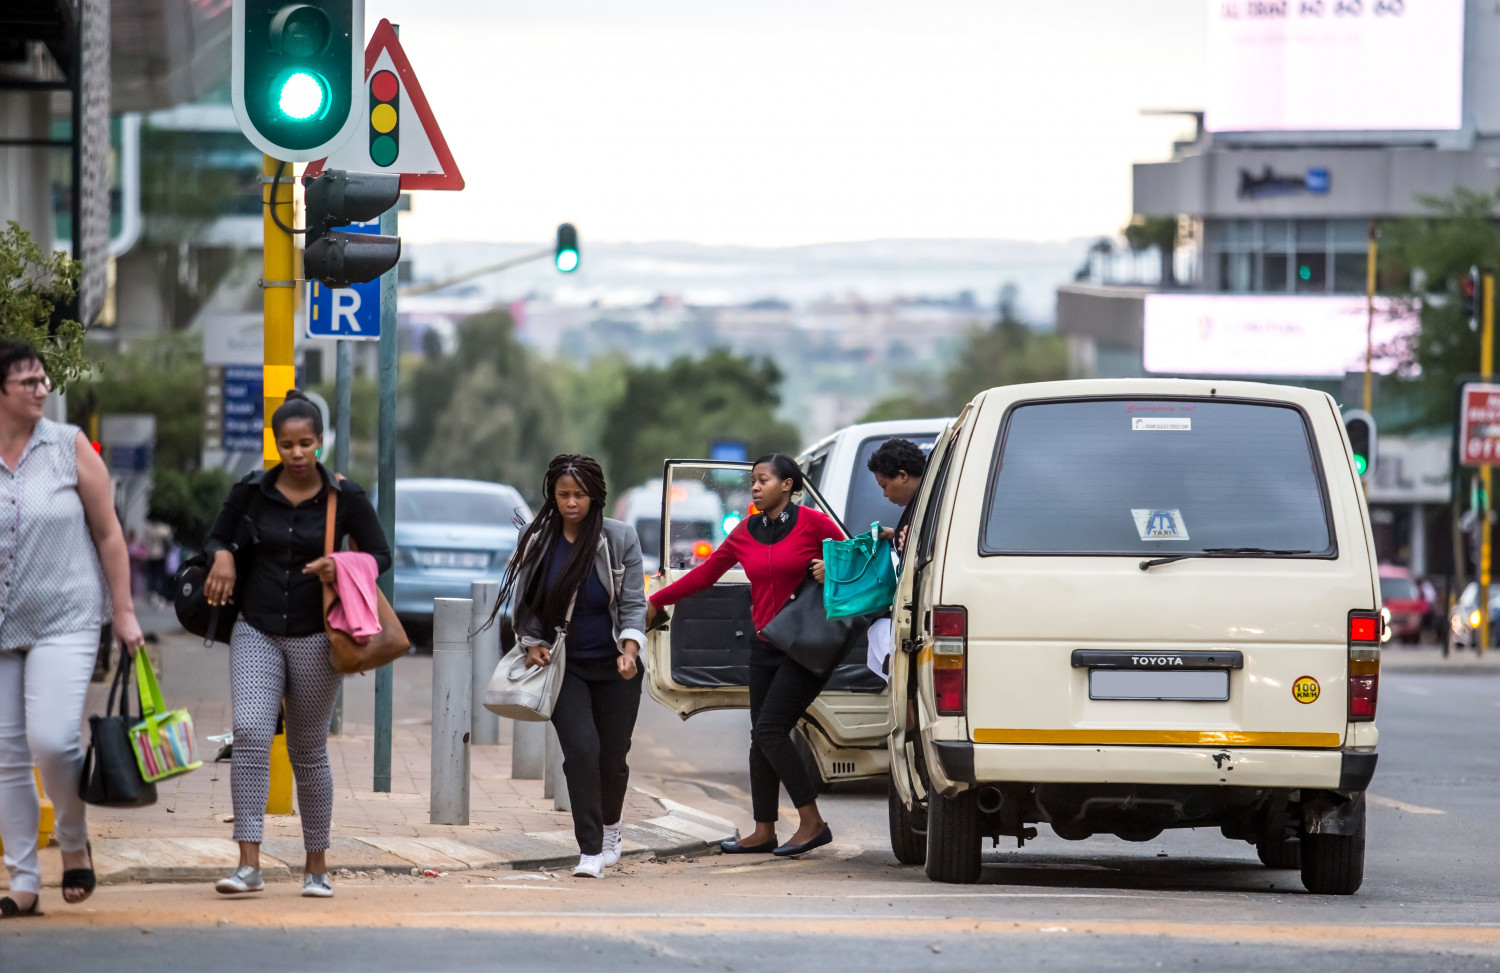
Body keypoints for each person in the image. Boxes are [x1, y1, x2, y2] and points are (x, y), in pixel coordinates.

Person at [202, 389, 390, 899]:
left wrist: (342, 564)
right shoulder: (251, 492)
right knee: (250, 733)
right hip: (256, 628)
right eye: (287, 445)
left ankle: (316, 866)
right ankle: (248, 864)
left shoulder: (344, 497)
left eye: (306, 443)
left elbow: (380, 555)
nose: (297, 454)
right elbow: (214, 538)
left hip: (315, 635)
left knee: (308, 751)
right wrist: (222, 556)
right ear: (276, 445)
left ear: (320, 443)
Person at [0, 340, 145, 919]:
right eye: (28, 382)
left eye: (43, 380)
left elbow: (109, 534)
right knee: (7, 756)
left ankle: (73, 835)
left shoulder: (69, 447)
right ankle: (22, 882)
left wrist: (126, 611)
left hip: (66, 616)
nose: (41, 389)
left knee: (54, 740)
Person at [646, 454, 842, 858]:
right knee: (759, 740)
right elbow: (705, 574)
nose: (755, 487)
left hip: (804, 646)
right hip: (765, 645)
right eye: (753, 480)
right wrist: (656, 600)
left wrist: (831, 568)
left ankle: (812, 822)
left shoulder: (814, 524)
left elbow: (863, 561)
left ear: (787, 485)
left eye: (763, 480)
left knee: (771, 731)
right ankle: (763, 829)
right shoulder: (747, 531)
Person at [484, 455, 648, 880]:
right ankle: (590, 849)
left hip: (616, 665)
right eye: (563, 495)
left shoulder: (619, 537)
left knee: (613, 759)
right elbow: (528, 601)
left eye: (579, 495)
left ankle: (612, 829)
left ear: (595, 496)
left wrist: (630, 650)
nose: (571, 503)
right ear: (551, 496)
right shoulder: (539, 539)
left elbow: (632, 601)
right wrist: (533, 642)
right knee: (581, 752)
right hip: (565, 667)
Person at [865, 438, 927, 564]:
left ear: (903, 475)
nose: (885, 494)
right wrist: (894, 536)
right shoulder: (925, 499)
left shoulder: (935, 503)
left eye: (884, 486)